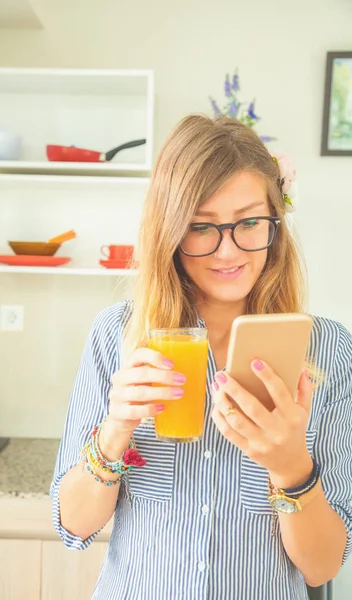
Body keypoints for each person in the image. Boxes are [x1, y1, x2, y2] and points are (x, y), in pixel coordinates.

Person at [50, 115, 352, 600]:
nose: (228, 250)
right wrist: (114, 432)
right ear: (168, 231)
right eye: (200, 226)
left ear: (275, 223)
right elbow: (72, 527)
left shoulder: (327, 351)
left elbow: (321, 567)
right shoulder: (117, 336)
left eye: (249, 222)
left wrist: (291, 467)